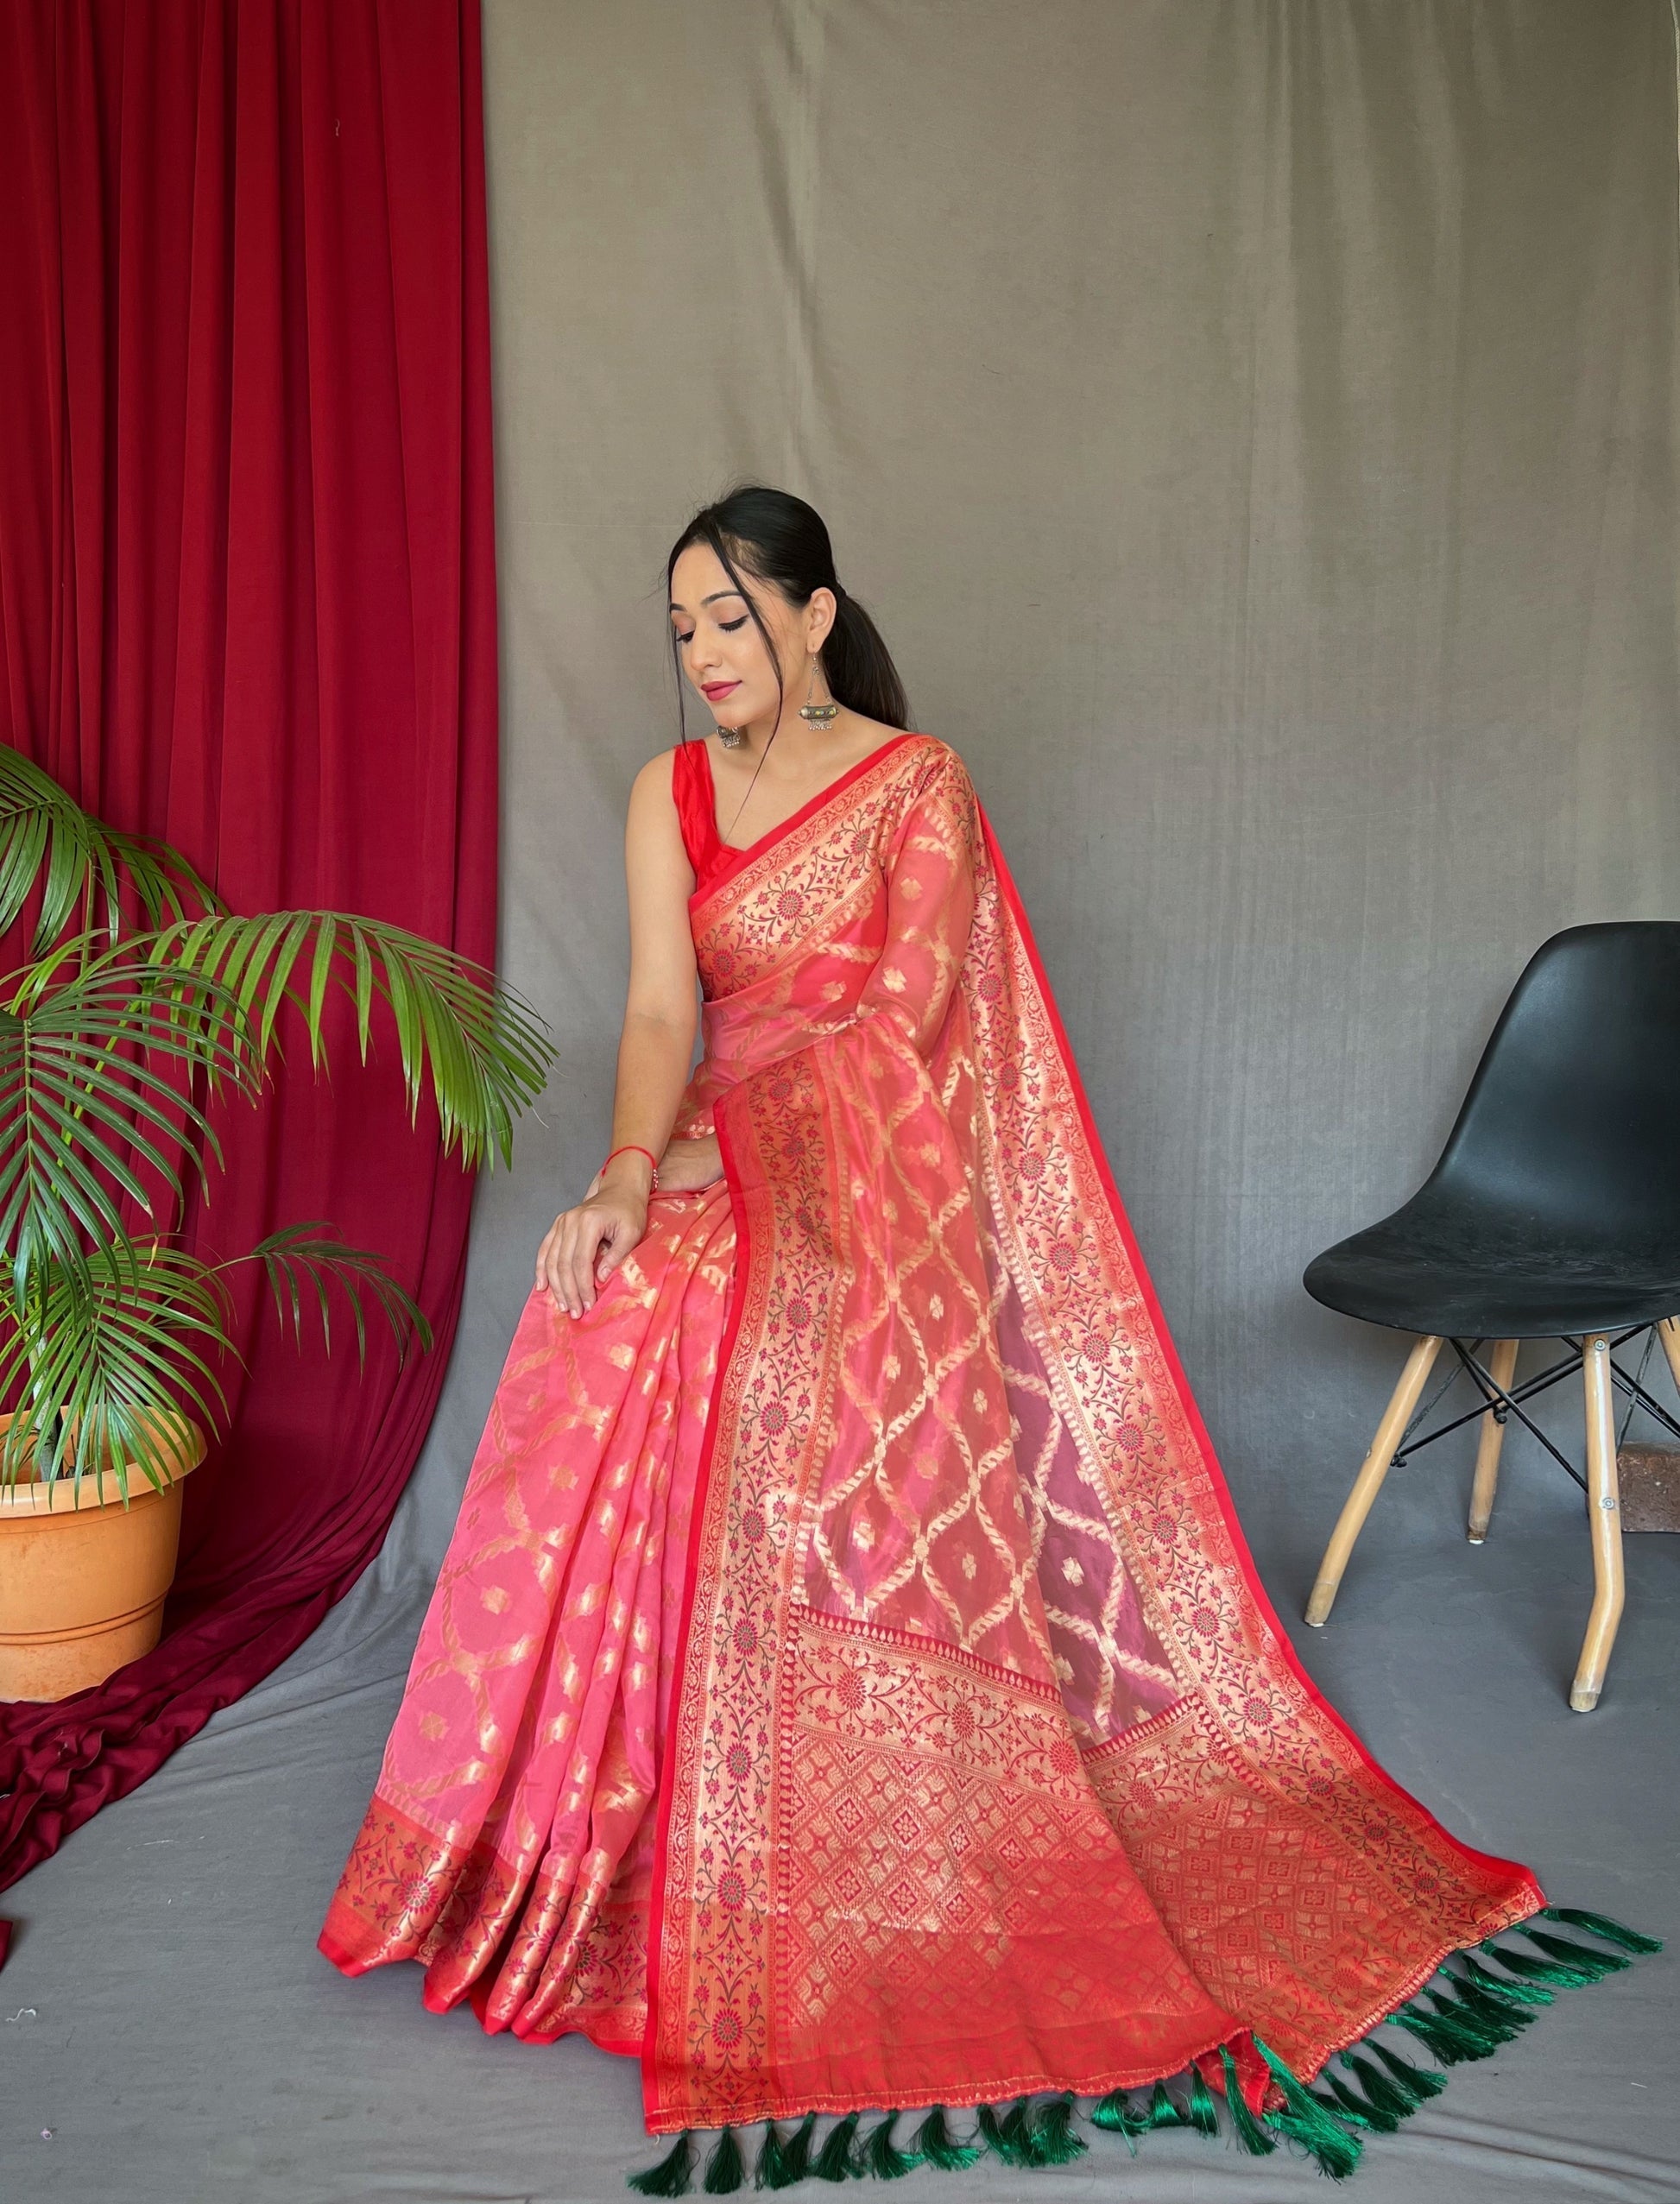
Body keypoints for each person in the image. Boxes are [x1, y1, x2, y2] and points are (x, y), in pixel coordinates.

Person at [320, 486, 1651, 2189]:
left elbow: (901, 1027)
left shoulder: (914, 783)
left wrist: (795, 1200)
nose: (704, 653)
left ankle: (834, 1839)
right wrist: (625, 1174)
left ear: (811, 612)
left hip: (869, 1182)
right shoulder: (669, 793)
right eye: (681, 630)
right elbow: (665, 1009)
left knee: (778, 1343)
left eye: (729, 614)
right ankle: (589, 1846)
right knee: (612, 1290)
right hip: (718, 1152)